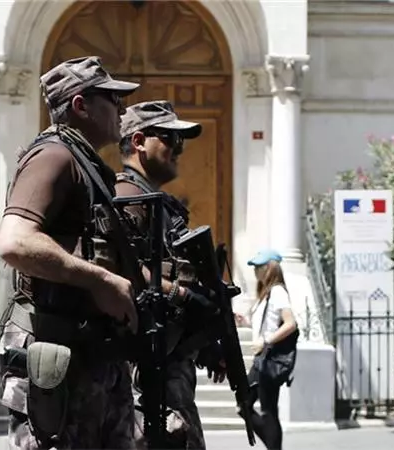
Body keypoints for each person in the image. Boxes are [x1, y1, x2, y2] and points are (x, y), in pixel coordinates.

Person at [0, 56, 141, 450]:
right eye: (112, 99)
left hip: (93, 356)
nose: (122, 110)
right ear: (80, 105)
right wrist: (99, 279)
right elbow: (15, 241)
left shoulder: (87, 164)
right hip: (59, 351)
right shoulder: (54, 156)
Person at [115, 100, 226, 449]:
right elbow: (123, 267)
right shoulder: (127, 198)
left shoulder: (158, 203)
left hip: (170, 357)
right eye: (169, 138)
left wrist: (204, 338)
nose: (179, 149)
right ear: (138, 142)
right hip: (143, 366)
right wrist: (183, 296)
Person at [234, 249, 298, 450]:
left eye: (259, 267)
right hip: (262, 358)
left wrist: (266, 341)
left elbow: (290, 323)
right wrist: (244, 322)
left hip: (268, 357)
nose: (256, 271)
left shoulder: (277, 291)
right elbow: (266, 324)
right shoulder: (267, 293)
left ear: (270, 268)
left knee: (264, 409)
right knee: (248, 405)